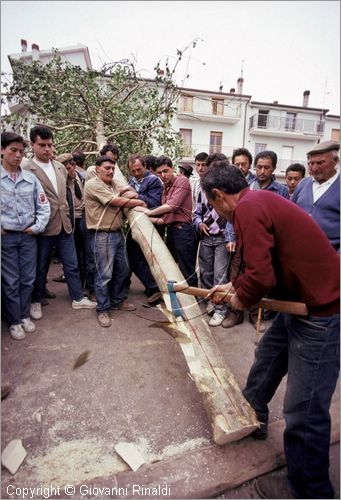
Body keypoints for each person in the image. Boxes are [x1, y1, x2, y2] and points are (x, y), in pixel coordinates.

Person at [202, 161, 339, 499]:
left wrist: (239, 300)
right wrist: (233, 287)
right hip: (298, 302)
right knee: (267, 359)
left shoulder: (248, 208)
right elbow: (260, 266)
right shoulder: (257, 201)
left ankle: (310, 489)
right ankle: (253, 418)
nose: (218, 216)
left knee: (303, 409)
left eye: (212, 206)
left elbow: (261, 278)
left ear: (219, 195)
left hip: (321, 311)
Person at [23, 125, 97, 320]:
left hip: (65, 224)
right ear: (33, 145)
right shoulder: (26, 168)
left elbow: (66, 196)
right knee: (39, 267)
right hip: (42, 226)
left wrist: (71, 220)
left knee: (71, 264)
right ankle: (36, 301)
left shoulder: (59, 167)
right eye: (42, 145)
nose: (47, 149)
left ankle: (78, 298)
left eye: (50, 145)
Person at [84, 155, 146, 327]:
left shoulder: (111, 184)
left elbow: (131, 191)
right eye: (107, 168)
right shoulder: (93, 185)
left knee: (124, 269)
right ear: (97, 169)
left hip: (117, 233)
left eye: (113, 168)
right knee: (104, 274)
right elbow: (114, 201)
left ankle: (117, 300)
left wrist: (129, 194)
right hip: (102, 234)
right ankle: (103, 309)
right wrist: (138, 201)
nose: (111, 171)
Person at [1, 132, 51, 340]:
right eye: (13, 150)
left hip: (28, 237)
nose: (18, 155)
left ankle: (23, 316)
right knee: (11, 280)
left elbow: (43, 206)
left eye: (21, 151)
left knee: (28, 279)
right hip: (7, 238)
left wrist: (37, 227)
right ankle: (14, 321)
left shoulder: (30, 179)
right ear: (2, 150)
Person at [137, 156, 198, 287]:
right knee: (170, 267)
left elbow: (173, 206)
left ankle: (194, 301)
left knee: (186, 269)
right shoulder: (166, 188)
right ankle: (178, 299)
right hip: (171, 231)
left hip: (183, 230)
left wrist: (149, 212)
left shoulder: (182, 181)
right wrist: (144, 218)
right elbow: (164, 220)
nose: (163, 175)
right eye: (159, 173)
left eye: (165, 171)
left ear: (173, 169)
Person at [193, 156, 229, 326]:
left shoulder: (229, 190)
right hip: (206, 238)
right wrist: (199, 223)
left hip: (222, 239)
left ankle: (220, 309)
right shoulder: (202, 190)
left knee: (220, 276)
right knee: (205, 273)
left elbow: (233, 216)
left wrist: (230, 236)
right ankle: (210, 300)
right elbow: (196, 213)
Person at [126, 154, 163, 304]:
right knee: (132, 257)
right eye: (132, 171)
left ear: (145, 166)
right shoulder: (131, 181)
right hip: (135, 224)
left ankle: (154, 288)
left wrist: (135, 196)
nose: (136, 173)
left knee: (145, 259)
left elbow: (154, 203)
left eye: (138, 170)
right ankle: (152, 287)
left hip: (150, 224)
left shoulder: (154, 180)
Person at [292, 141, 340, 252]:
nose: (314, 168)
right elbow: (291, 214)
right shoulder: (302, 184)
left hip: (329, 256)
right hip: (299, 252)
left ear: (335, 161)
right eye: (310, 163)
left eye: (320, 163)